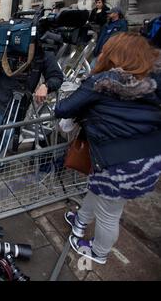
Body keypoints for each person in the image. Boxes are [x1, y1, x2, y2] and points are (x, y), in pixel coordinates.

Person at [55, 33, 161, 265]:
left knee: (110, 214)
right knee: (98, 190)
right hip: (149, 159)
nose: (101, 54)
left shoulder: (101, 82)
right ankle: (81, 221)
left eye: (105, 51)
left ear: (114, 55)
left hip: (118, 163)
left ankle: (98, 253)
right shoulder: (152, 82)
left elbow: (63, 109)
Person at [0, 46, 63, 156]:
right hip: (0, 103)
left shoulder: (42, 52)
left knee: (10, 134)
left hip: (22, 105)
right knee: (2, 135)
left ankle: (2, 157)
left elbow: (57, 77)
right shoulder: (7, 47)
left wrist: (46, 86)